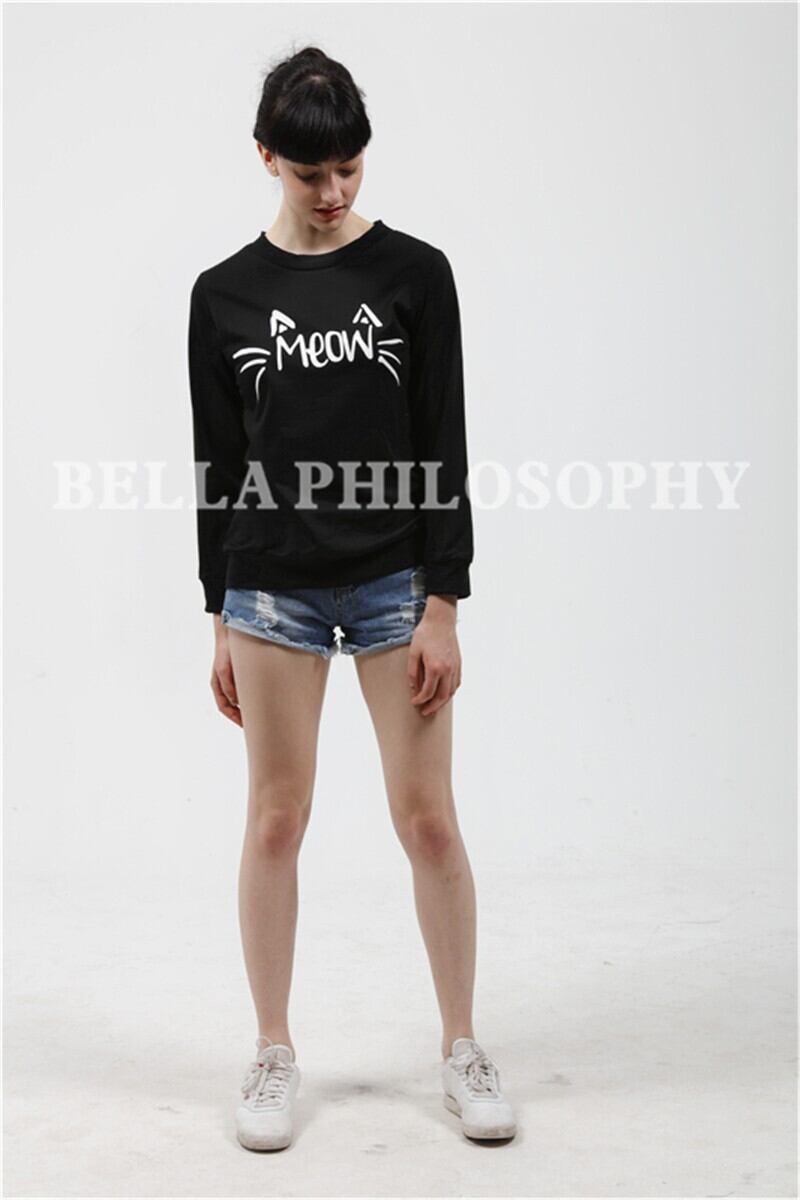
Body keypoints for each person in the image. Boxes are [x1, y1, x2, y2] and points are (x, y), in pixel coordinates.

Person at [187, 44, 517, 1151]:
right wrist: (220, 614)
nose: (331, 191)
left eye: (350, 168)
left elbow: (443, 443)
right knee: (276, 818)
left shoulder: (415, 275)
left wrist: (444, 601)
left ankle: (461, 1043)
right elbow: (217, 468)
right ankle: (272, 1049)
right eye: (309, 172)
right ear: (266, 158)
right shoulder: (224, 295)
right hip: (270, 588)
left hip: (393, 583)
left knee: (428, 820)